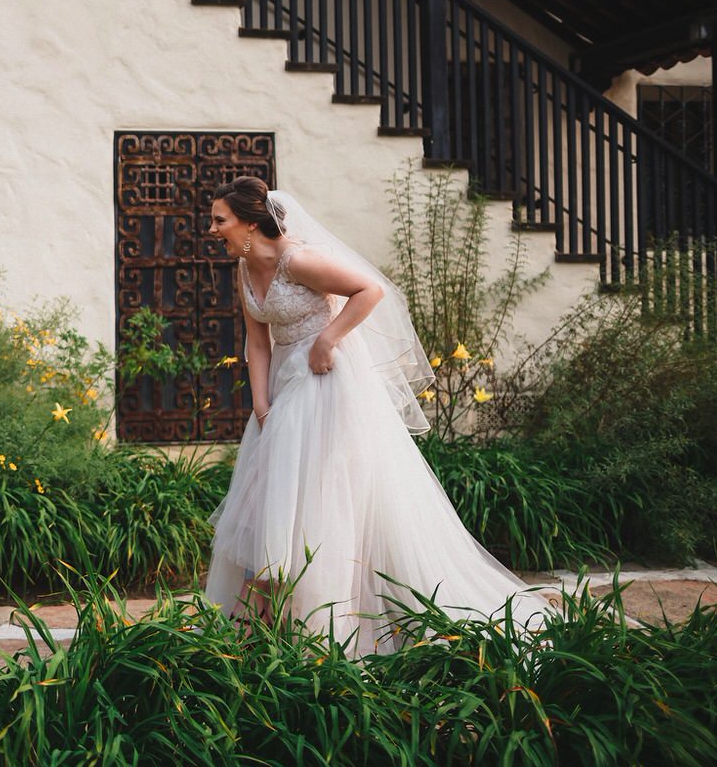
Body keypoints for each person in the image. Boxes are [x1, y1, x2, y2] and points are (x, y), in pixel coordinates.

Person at [203, 176, 551, 654]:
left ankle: (330, 626)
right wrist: (260, 403)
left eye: (219, 219)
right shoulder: (245, 269)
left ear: (248, 221)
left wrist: (328, 339)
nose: (212, 228)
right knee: (274, 496)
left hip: (327, 382)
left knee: (318, 499)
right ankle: (267, 624)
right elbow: (257, 341)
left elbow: (369, 290)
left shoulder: (298, 259)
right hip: (284, 386)